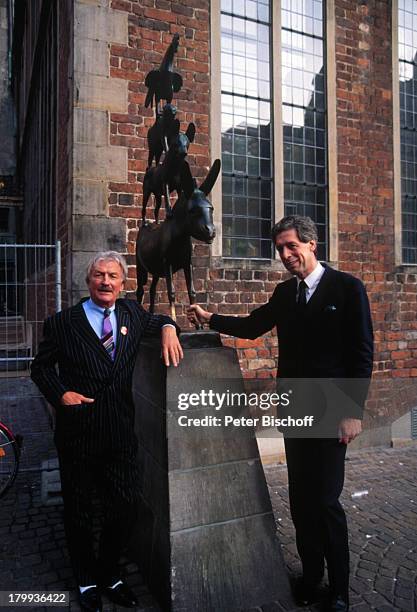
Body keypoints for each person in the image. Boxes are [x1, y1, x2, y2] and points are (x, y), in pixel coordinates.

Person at [187, 215, 373, 612]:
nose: (286, 255)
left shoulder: (347, 288)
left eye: (291, 246)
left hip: (332, 411)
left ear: (311, 244)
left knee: (325, 500)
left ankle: (339, 588)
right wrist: (211, 318)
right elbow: (254, 326)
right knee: (301, 499)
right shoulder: (285, 294)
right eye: (280, 249)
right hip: (295, 409)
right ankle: (310, 577)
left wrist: (352, 412)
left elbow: (361, 353)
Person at [31, 251, 183, 612]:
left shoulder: (131, 313)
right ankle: (86, 579)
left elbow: (159, 316)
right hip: (79, 432)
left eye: (113, 276)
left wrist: (168, 328)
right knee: (80, 510)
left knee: (126, 505)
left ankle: (110, 572)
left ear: (122, 282)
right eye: (99, 275)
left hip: (119, 431)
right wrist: (60, 393)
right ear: (89, 280)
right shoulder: (62, 323)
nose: (106, 282)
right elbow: (40, 368)